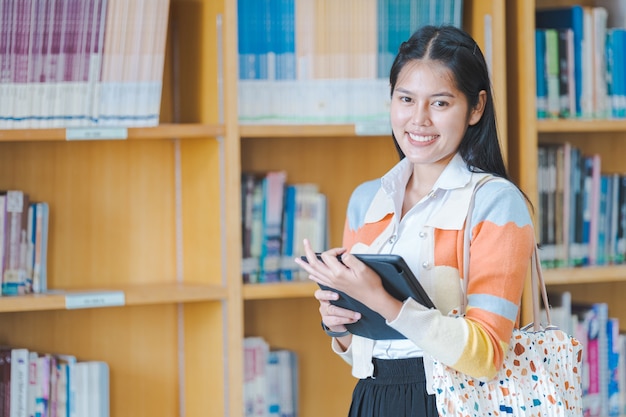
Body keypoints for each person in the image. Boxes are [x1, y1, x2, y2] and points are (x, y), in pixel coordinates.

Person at [294, 25, 536, 417]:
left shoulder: (496, 203)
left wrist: (383, 301)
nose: (418, 119)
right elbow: (364, 354)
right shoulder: (366, 201)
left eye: (440, 103)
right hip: (373, 398)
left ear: (476, 108)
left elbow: (487, 355)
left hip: (455, 401)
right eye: (406, 99)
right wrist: (339, 326)